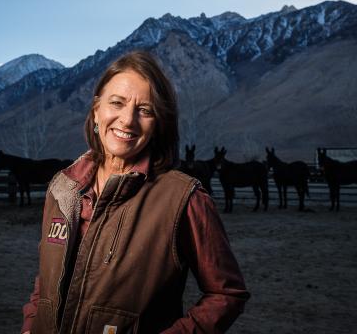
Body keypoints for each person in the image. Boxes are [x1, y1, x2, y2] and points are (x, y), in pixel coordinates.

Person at [22, 51, 250, 334]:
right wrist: (31, 325)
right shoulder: (62, 189)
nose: (127, 120)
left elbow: (226, 294)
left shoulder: (184, 200)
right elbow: (47, 280)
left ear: (158, 124)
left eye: (145, 110)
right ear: (96, 110)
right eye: (116, 103)